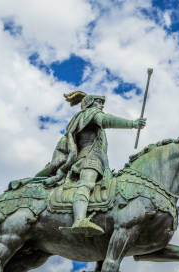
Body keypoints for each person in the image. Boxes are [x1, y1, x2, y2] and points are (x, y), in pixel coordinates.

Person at [36, 91, 146, 236]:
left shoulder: (91, 121)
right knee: (87, 183)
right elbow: (106, 120)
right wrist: (132, 124)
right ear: (89, 104)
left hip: (98, 160)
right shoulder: (89, 114)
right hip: (88, 159)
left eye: (102, 103)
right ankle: (79, 220)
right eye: (98, 102)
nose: (101, 105)